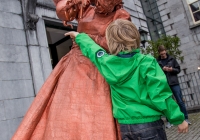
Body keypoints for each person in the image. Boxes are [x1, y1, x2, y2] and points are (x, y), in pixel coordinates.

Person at [12, 0, 130, 139]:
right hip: (73, 68)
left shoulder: (121, 14)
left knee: (94, 117)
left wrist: (84, 39)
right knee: (64, 114)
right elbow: (63, 10)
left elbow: (121, 44)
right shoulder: (86, 10)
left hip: (100, 70)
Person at [65, 19, 189, 140]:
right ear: (135, 37)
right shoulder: (147, 62)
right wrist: (178, 118)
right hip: (150, 124)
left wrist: (79, 36)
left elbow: (94, 50)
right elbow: (160, 94)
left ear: (110, 41)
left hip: (125, 127)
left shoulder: (107, 63)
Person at [157, 45, 191, 128]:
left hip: (174, 83)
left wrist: (171, 70)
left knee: (180, 101)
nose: (163, 55)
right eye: (162, 54)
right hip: (165, 84)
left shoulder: (172, 59)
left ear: (166, 51)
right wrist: (163, 70)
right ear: (159, 53)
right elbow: (156, 73)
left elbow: (178, 70)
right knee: (168, 103)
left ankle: (185, 118)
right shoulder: (157, 62)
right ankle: (170, 121)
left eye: (164, 53)